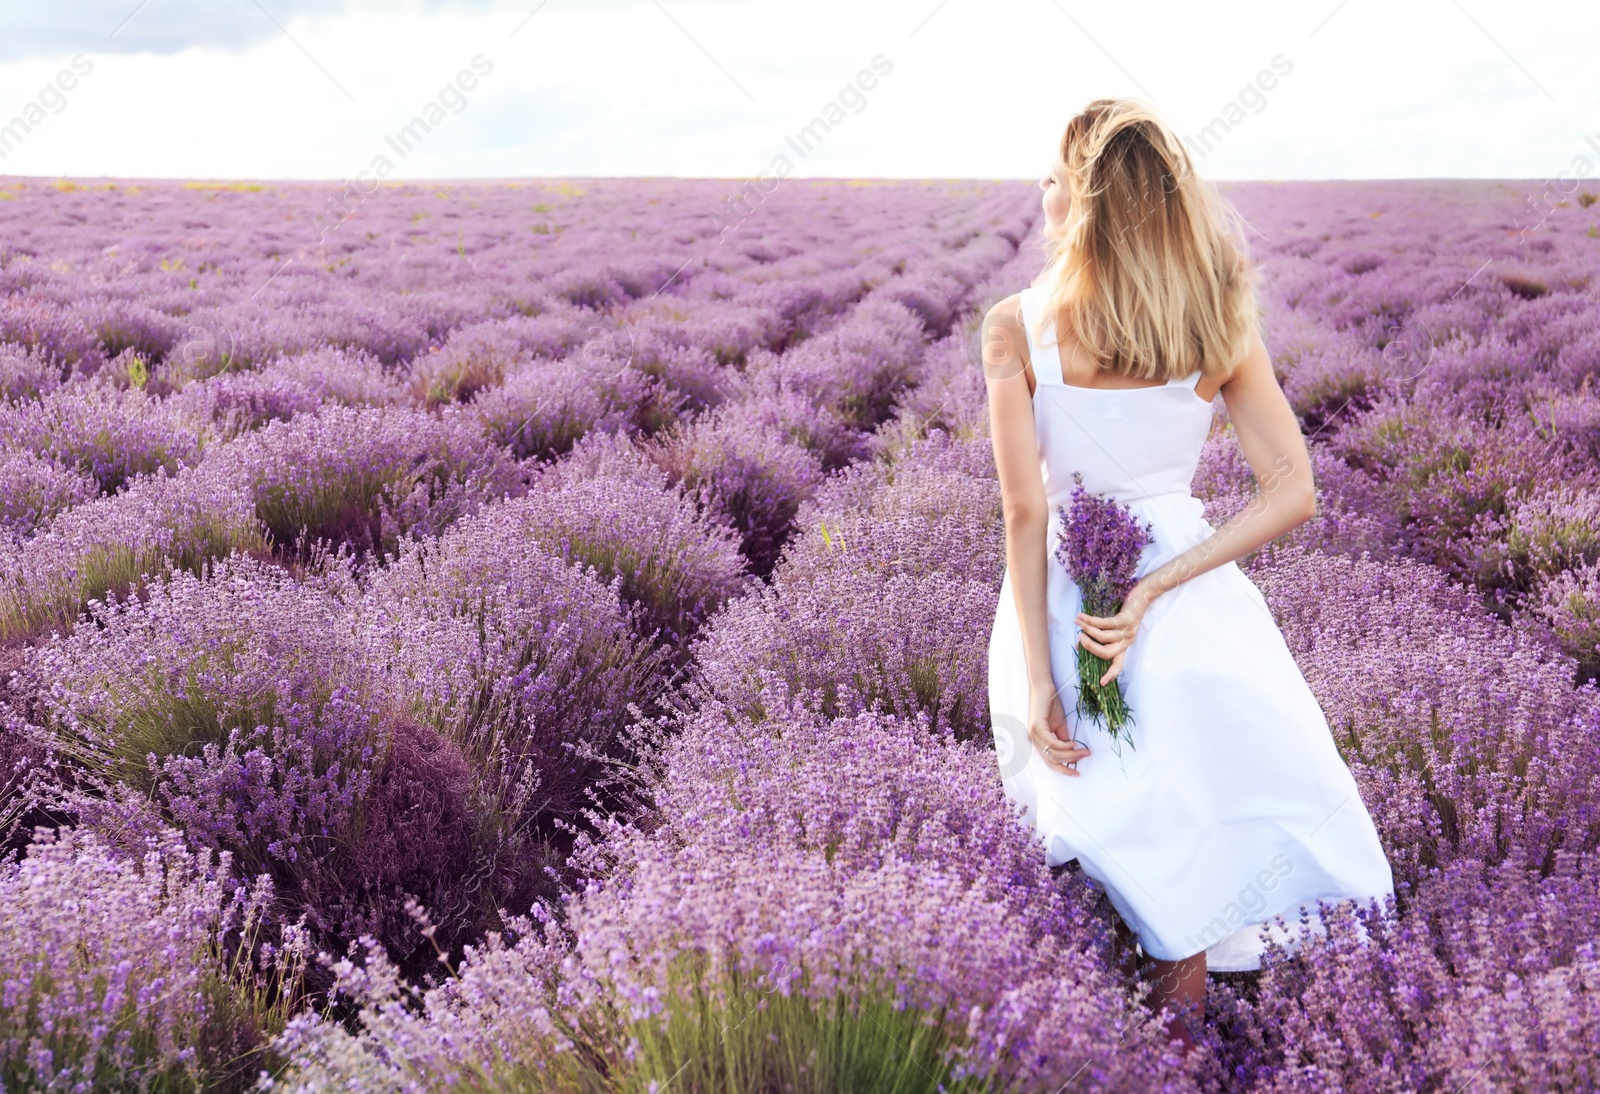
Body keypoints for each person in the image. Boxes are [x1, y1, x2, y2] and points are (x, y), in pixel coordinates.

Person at [982, 98, 1395, 1054]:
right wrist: (1164, 582)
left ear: (1085, 201)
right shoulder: (1213, 317)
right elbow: (1292, 489)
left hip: (1064, 598)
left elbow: (1024, 509)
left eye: (1053, 175)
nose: (1039, 190)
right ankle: (1186, 1044)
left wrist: (1044, 673)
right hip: (1186, 587)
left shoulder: (1012, 327)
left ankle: (1121, 1050)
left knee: (1103, 810)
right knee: (1189, 811)